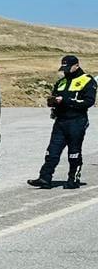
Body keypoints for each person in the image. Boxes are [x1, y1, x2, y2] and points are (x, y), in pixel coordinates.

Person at [29, 54, 94, 190]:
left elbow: (89, 102)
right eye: (63, 67)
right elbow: (55, 98)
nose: (65, 70)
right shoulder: (61, 82)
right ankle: (45, 178)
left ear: (76, 66)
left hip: (77, 121)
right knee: (52, 151)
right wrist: (52, 102)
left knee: (74, 152)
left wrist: (66, 101)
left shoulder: (87, 80)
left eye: (68, 67)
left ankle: (73, 179)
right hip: (61, 121)